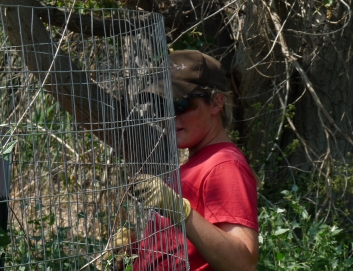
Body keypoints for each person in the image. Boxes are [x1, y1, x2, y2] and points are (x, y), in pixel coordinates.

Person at [111, 50, 259, 271]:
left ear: (217, 102)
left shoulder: (224, 165)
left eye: (180, 104)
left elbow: (242, 264)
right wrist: (135, 251)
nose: (170, 117)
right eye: (161, 106)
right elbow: (189, 249)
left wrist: (178, 209)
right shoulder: (198, 163)